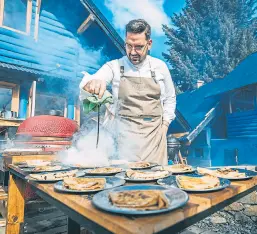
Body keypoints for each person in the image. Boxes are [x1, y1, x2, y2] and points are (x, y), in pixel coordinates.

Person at [79, 19, 176, 165]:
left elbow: (170, 99)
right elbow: (95, 79)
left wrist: (165, 125)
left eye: (138, 47)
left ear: (149, 44)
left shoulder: (160, 67)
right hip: (123, 139)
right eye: (128, 45)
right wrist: (93, 83)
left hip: (155, 139)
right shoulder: (114, 67)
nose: (132, 52)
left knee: (156, 183)